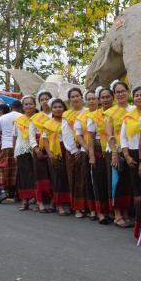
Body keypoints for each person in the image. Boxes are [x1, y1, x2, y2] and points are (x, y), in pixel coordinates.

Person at [105, 80, 135, 227]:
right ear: (114, 95)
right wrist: (115, 153)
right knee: (116, 182)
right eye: (118, 92)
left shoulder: (134, 110)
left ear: (128, 92)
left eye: (123, 91)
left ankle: (125, 212)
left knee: (127, 183)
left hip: (130, 149)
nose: (121, 94)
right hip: (115, 150)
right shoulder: (109, 112)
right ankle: (117, 214)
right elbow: (109, 134)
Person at [87, 87, 114, 225]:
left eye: (108, 96)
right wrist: (91, 156)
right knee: (99, 181)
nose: (105, 100)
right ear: (99, 100)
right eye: (102, 97)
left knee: (111, 181)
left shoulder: (117, 112)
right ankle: (101, 212)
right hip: (98, 149)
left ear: (112, 97)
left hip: (113, 149)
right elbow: (90, 138)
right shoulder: (93, 116)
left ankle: (111, 210)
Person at [62, 87, 86, 218]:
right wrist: (74, 150)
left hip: (87, 150)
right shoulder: (67, 115)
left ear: (82, 97)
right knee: (74, 179)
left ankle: (87, 207)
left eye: (78, 96)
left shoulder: (87, 112)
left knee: (86, 179)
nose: (75, 98)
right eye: (73, 97)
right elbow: (66, 134)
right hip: (72, 151)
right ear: (70, 100)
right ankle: (77, 208)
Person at [43, 98, 71, 216]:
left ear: (64, 108)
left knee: (68, 177)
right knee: (57, 178)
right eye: (55, 107)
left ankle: (70, 203)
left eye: (60, 107)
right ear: (52, 109)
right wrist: (50, 154)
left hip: (68, 149)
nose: (58, 109)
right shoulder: (48, 123)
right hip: (55, 151)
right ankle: (59, 205)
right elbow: (45, 139)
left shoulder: (68, 121)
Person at [74, 90, 99, 219]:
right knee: (88, 181)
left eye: (94, 98)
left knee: (100, 181)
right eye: (89, 99)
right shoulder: (81, 117)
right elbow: (78, 135)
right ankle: (92, 209)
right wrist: (87, 148)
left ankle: (103, 209)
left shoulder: (103, 113)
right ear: (86, 101)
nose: (91, 101)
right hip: (86, 151)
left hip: (101, 151)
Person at [121, 86, 141, 200]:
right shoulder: (128, 116)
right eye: (136, 95)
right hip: (133, 153)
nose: (139, 97)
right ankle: (139, 213)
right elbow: (123, 138)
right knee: (135, 183)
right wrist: (127, 156)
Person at [0, 100, 23, 204]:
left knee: (1, 169)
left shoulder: (3, 117)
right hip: (19, 146)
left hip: (5, 146)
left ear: (11, 107)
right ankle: (17, 194)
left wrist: (2, 138)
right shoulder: (22, 117)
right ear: (21, 107)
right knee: (17, 170)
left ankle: (2, 191)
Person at [29, 91, 53, 213]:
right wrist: (36, 149)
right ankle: (40, 203)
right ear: (39, 102)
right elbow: (31, 135)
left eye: (47, 99)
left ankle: (54, 202)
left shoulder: (56, 114)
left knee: (53, 175)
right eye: (42, 99)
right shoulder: (35, 118)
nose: (45, 101)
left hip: (54, 147)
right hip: (39, 147)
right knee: (40, 176)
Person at [13, 96, 37, 211]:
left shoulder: (40, 119)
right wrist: (14, 153)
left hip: (36, 150)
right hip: (22, 149)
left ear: (35, 105)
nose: (28, 106)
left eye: (31, 104)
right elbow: (15, 137)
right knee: (23, 176)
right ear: (22, 107)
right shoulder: (18, 121)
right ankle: (24, 200)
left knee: (36, 175)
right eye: (26, 104)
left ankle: (38, 199)